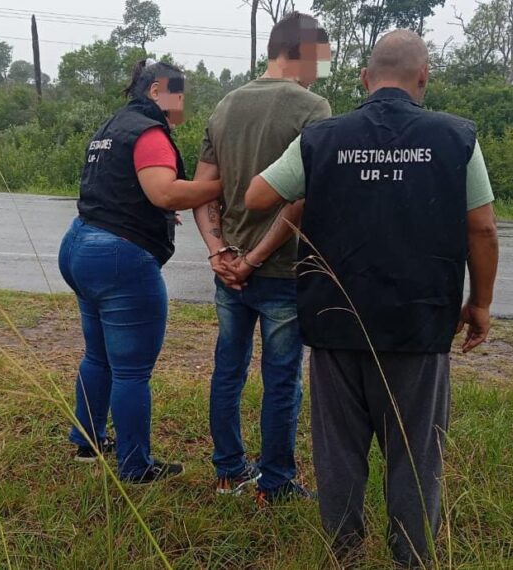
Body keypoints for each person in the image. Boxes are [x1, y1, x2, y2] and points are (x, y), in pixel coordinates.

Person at [245, 30, 500, 565]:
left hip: (335, 324)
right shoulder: (457, 138)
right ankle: (412, 556)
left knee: (339, 452)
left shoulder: (322, 137)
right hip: (419, 327)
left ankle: (345, 554)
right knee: (415, 453)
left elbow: (258, 196)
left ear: (364, 80)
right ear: (423, 79)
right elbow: (482, 230)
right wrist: (480, 303)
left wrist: (323, 178)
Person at [58, 60, 222, 484]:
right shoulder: (149, 132)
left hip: (80, 244)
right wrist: (224, 185)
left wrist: (153, 214)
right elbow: (164, 191)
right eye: (178, 94)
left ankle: (87, 441)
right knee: (131, 370)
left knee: (98, 355)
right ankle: (135, 466)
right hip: (119, 259)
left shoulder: (112, 126)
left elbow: (120, 188)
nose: (182, 103)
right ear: (157, 92)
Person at [192, 12, 333, 503]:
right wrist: (252, 259)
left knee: (227, 370)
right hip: (277, 270)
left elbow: (204, 188)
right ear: (302, 50)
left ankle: (229, 472)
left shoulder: (225, 105)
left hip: (227, 270)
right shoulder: (313, 107)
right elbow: (301, 198)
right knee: (281, 380)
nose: (322, 69)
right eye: (321, 57)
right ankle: (275, 483)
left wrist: (218, 252)